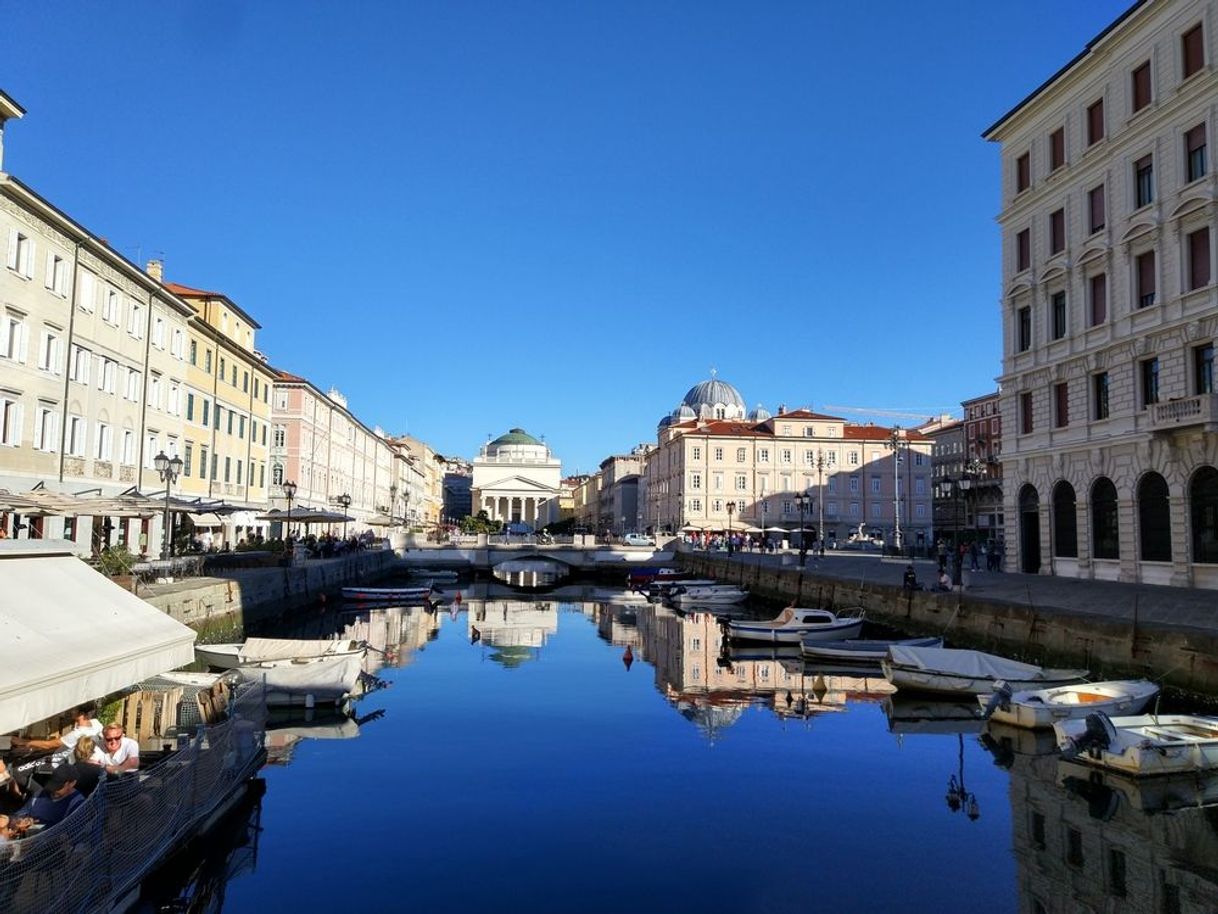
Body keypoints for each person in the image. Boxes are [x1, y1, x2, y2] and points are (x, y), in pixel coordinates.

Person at [10, 705, 102, 764]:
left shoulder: (77, 734)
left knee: (23, 763)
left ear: (81, 714)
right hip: (87, 758)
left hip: (63, 761)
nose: (71, 711)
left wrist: (24, 742)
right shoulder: (96, 723)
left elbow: (48, 745)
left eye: (74, 709)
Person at [10, 763, 85, 832]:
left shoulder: (76, 803)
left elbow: (68, 830)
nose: (53, 791)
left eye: (58, 788)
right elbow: (22, 812)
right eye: (52, 786)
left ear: (72, 783)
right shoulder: (40, 794)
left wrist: (34, 826)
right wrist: (19, 820)